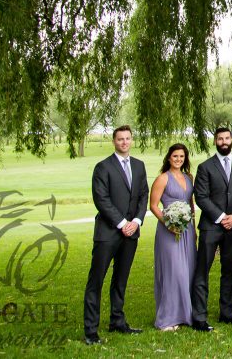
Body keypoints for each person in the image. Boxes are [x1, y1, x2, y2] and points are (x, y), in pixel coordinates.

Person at [83, 125, 148, 345]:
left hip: (131, 233)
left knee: (120, 280)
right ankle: (91, 331)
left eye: (127, 138)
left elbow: (142, 195)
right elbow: (101, 199)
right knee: (96, 281)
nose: (124, 142)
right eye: (120, 139)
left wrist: (136, 221)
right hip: (108, 233)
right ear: (114, 141)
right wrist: (122, 223)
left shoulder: (139, 166)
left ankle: (117, 321)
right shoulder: (103, 167)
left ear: (132, 140)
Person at [191, 127, 232, 331]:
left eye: (227, 138)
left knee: (230, 271)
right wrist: (220, 216)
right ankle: (199, 316)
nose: (224, 141)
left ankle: (227, 313)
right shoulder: (205, 167)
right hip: (210, 226)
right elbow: (201, 197)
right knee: (202, 271)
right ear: (215, 141)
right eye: (220, 139)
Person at [150, 143, 196, 331]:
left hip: (188, 229)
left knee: (188, 271)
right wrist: (169, 224)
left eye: (182, 157)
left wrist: (194, 230)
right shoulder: (162, 178)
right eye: (175, 156)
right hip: (168, 231)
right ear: (169, 158)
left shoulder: (189, 177)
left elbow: (191, 206)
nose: (178, 159)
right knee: (173, 272)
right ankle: (167, 318)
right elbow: (153, 206)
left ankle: (185, 314)